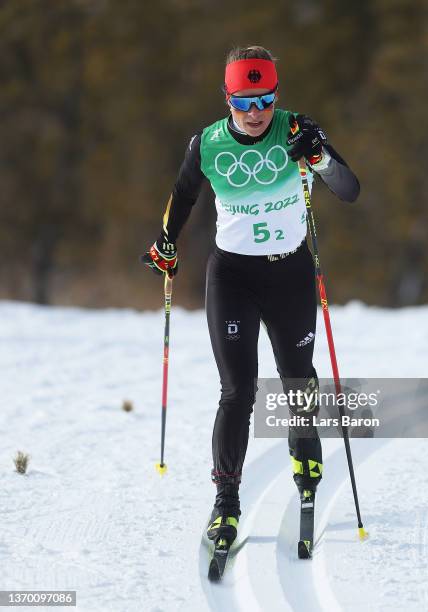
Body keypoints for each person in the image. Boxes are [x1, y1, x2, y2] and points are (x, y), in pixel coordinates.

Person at [142, 45, 360, 547]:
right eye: (244, 101)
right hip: (232, 278)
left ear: (275, 95)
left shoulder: (298, 129)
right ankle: (227, 503)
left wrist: (319, 156)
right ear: (228, 99)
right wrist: (166, 241)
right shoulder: (208, 145)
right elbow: (184, 191)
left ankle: (305, 459)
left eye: (265, 100)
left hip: (291, 274)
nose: (256, 112)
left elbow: (348, 189)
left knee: (297, 380)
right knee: (237, 390)